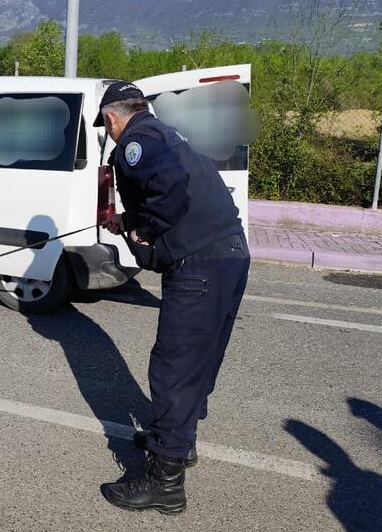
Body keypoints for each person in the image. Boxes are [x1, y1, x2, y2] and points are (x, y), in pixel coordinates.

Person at [94, 80, 251, 515]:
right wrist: (128, 220)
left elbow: (169, 192)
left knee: (174, 368)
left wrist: (145, 231)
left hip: (200, 263)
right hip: (228, 254)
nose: (109, 134)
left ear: (112, 118)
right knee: (198, 361)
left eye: (106, 128)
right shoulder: (167, 133)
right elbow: (175, 187)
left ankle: (165, 483)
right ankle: (180, 444)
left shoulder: (137, 141)